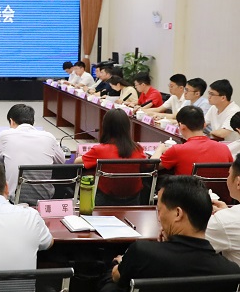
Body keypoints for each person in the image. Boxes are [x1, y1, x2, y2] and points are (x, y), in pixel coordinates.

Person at [100, 176, 240, 292]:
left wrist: (122, 262)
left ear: (178, 213)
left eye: (159, 210)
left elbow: (116, 276)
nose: (159, 217)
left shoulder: (142, 252)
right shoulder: (231, 271)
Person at [0, 104, 65, 203]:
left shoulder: (5, 135)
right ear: (33, 122)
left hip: (14, 200)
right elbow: (61, 161)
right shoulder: (49, 137)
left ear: (11, 121)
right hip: (43, 200)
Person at [74, 109, 146, 205]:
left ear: (105, 127)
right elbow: (148, 166)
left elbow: (77, 162)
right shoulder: (137, 149)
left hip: (105, 200)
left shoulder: (99, 150)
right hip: (134, 200)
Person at [152, 106, 233, 175]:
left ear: (181, 126)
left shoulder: (177, 150)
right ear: (204, 125)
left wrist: (160, 149)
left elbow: (152, 166)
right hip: (217, 189)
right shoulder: (224, 148)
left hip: (186, 189)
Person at [206, 154, 240, 266]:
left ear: (238, 182)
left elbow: (190, 244)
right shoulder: (227, 219)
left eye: (229, 174)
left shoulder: (225, 220)